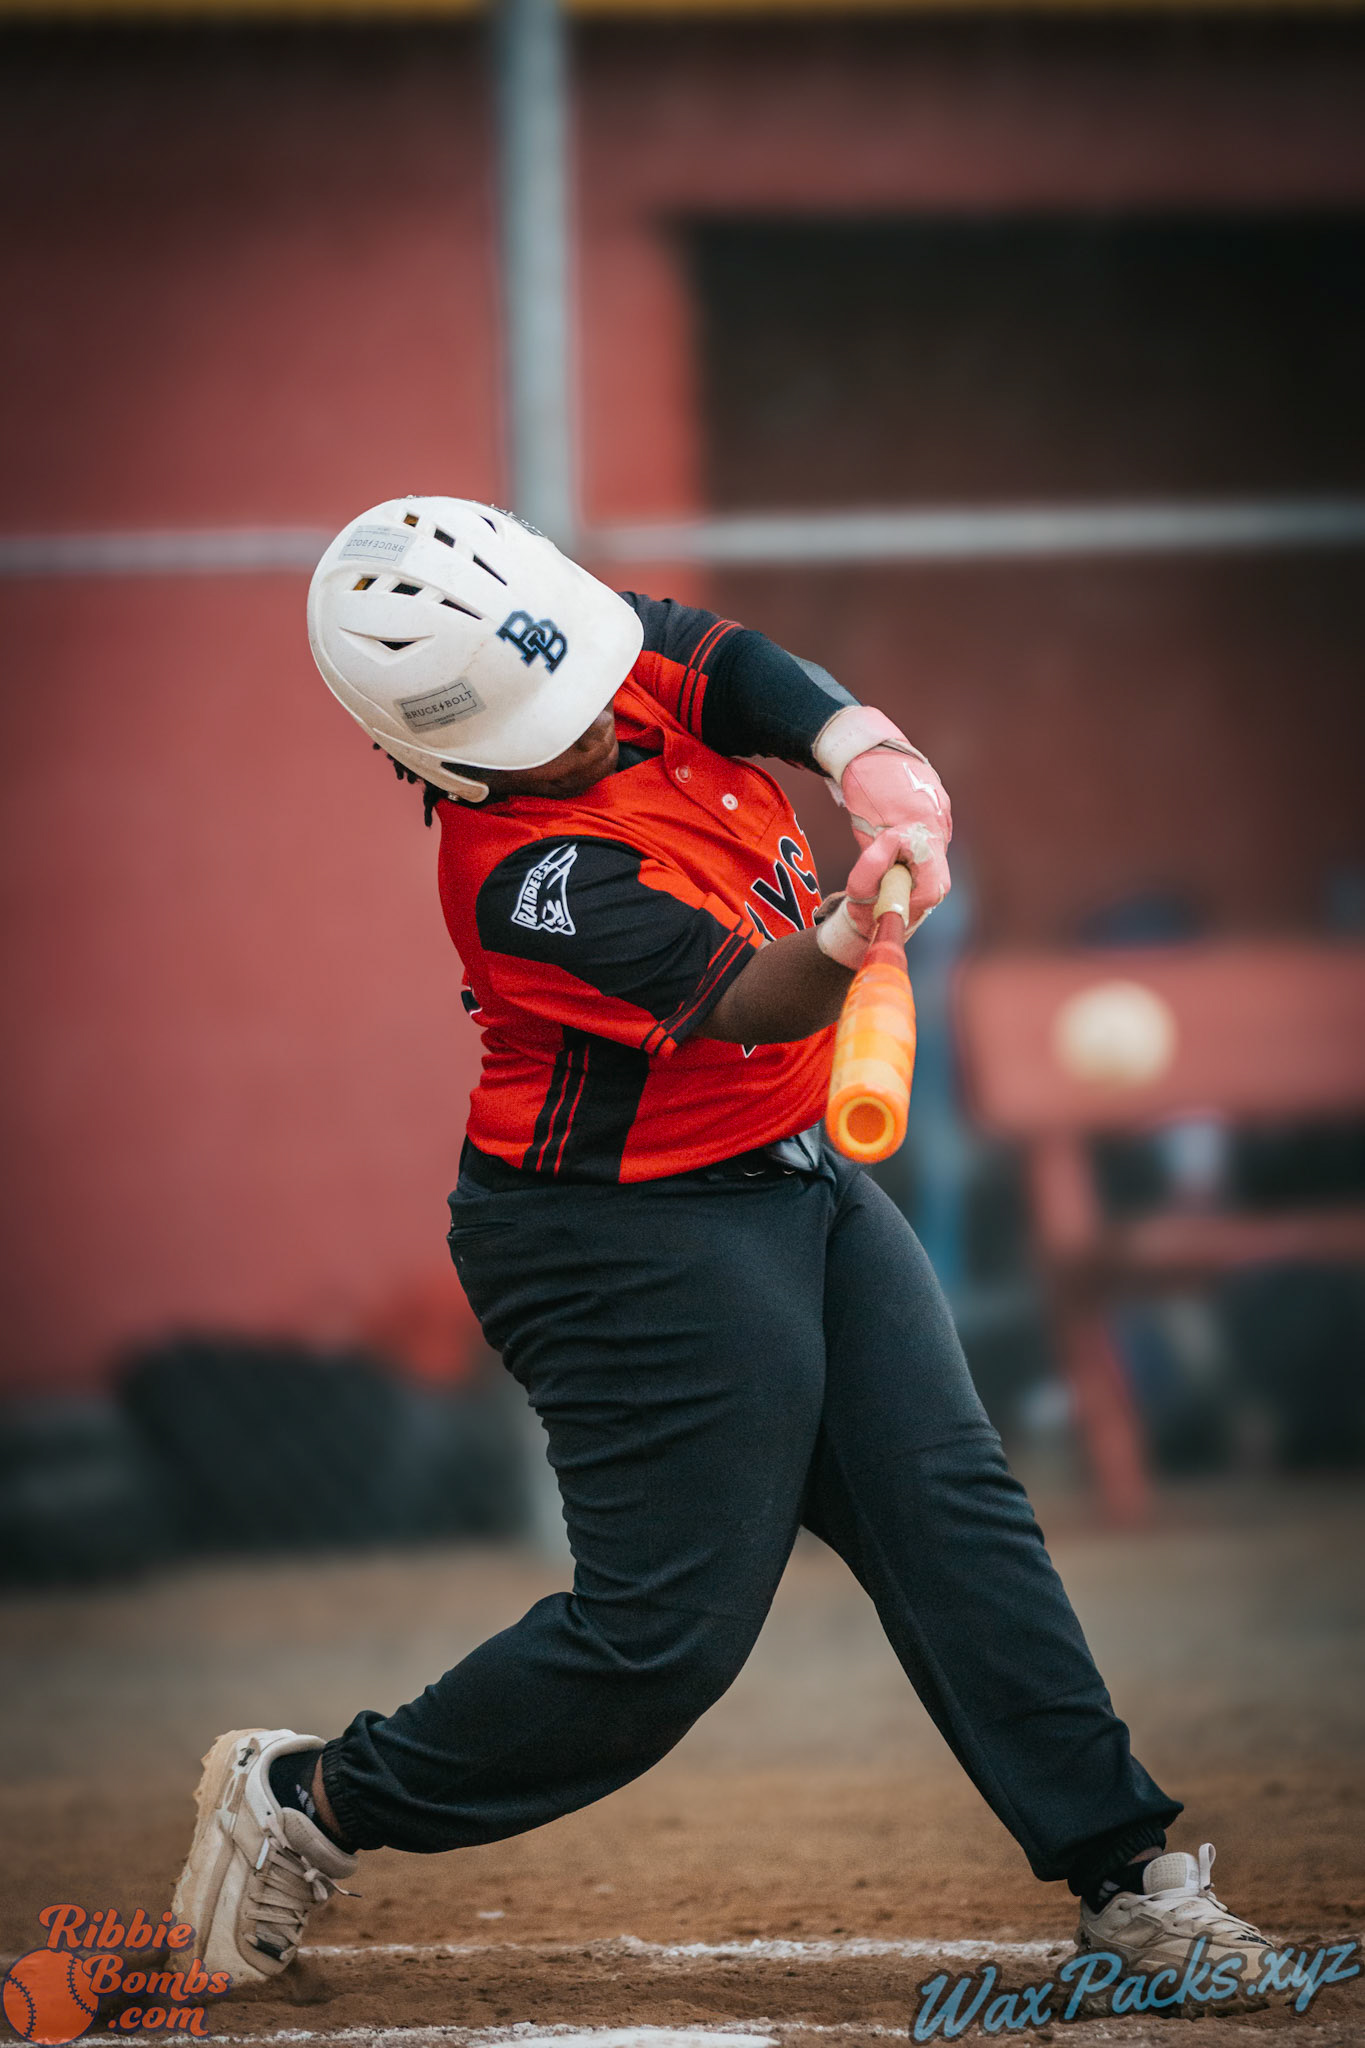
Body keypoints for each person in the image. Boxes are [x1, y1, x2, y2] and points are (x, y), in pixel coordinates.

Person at [171, 495, 1271, 2008]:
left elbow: (731, 664)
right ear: (443, 757)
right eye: (540, 733)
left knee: (950, 1513)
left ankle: (1127, 1872)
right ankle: (307, 1800)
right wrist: (848, 934)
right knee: (659, 1643)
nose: (589, 725)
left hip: (794, 1177)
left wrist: (868, 759)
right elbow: (747, 999)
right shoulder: (526, 884)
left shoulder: (570, 654)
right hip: (618, 1236)